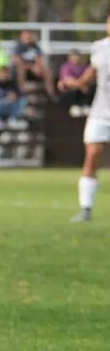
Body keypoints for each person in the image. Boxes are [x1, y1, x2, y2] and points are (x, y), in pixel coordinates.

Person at [70, 14, 110, 223]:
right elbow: (92, 72)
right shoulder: (99, 47)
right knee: (92, 156)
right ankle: (86, 209)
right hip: (101, 112)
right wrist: (77, 83)